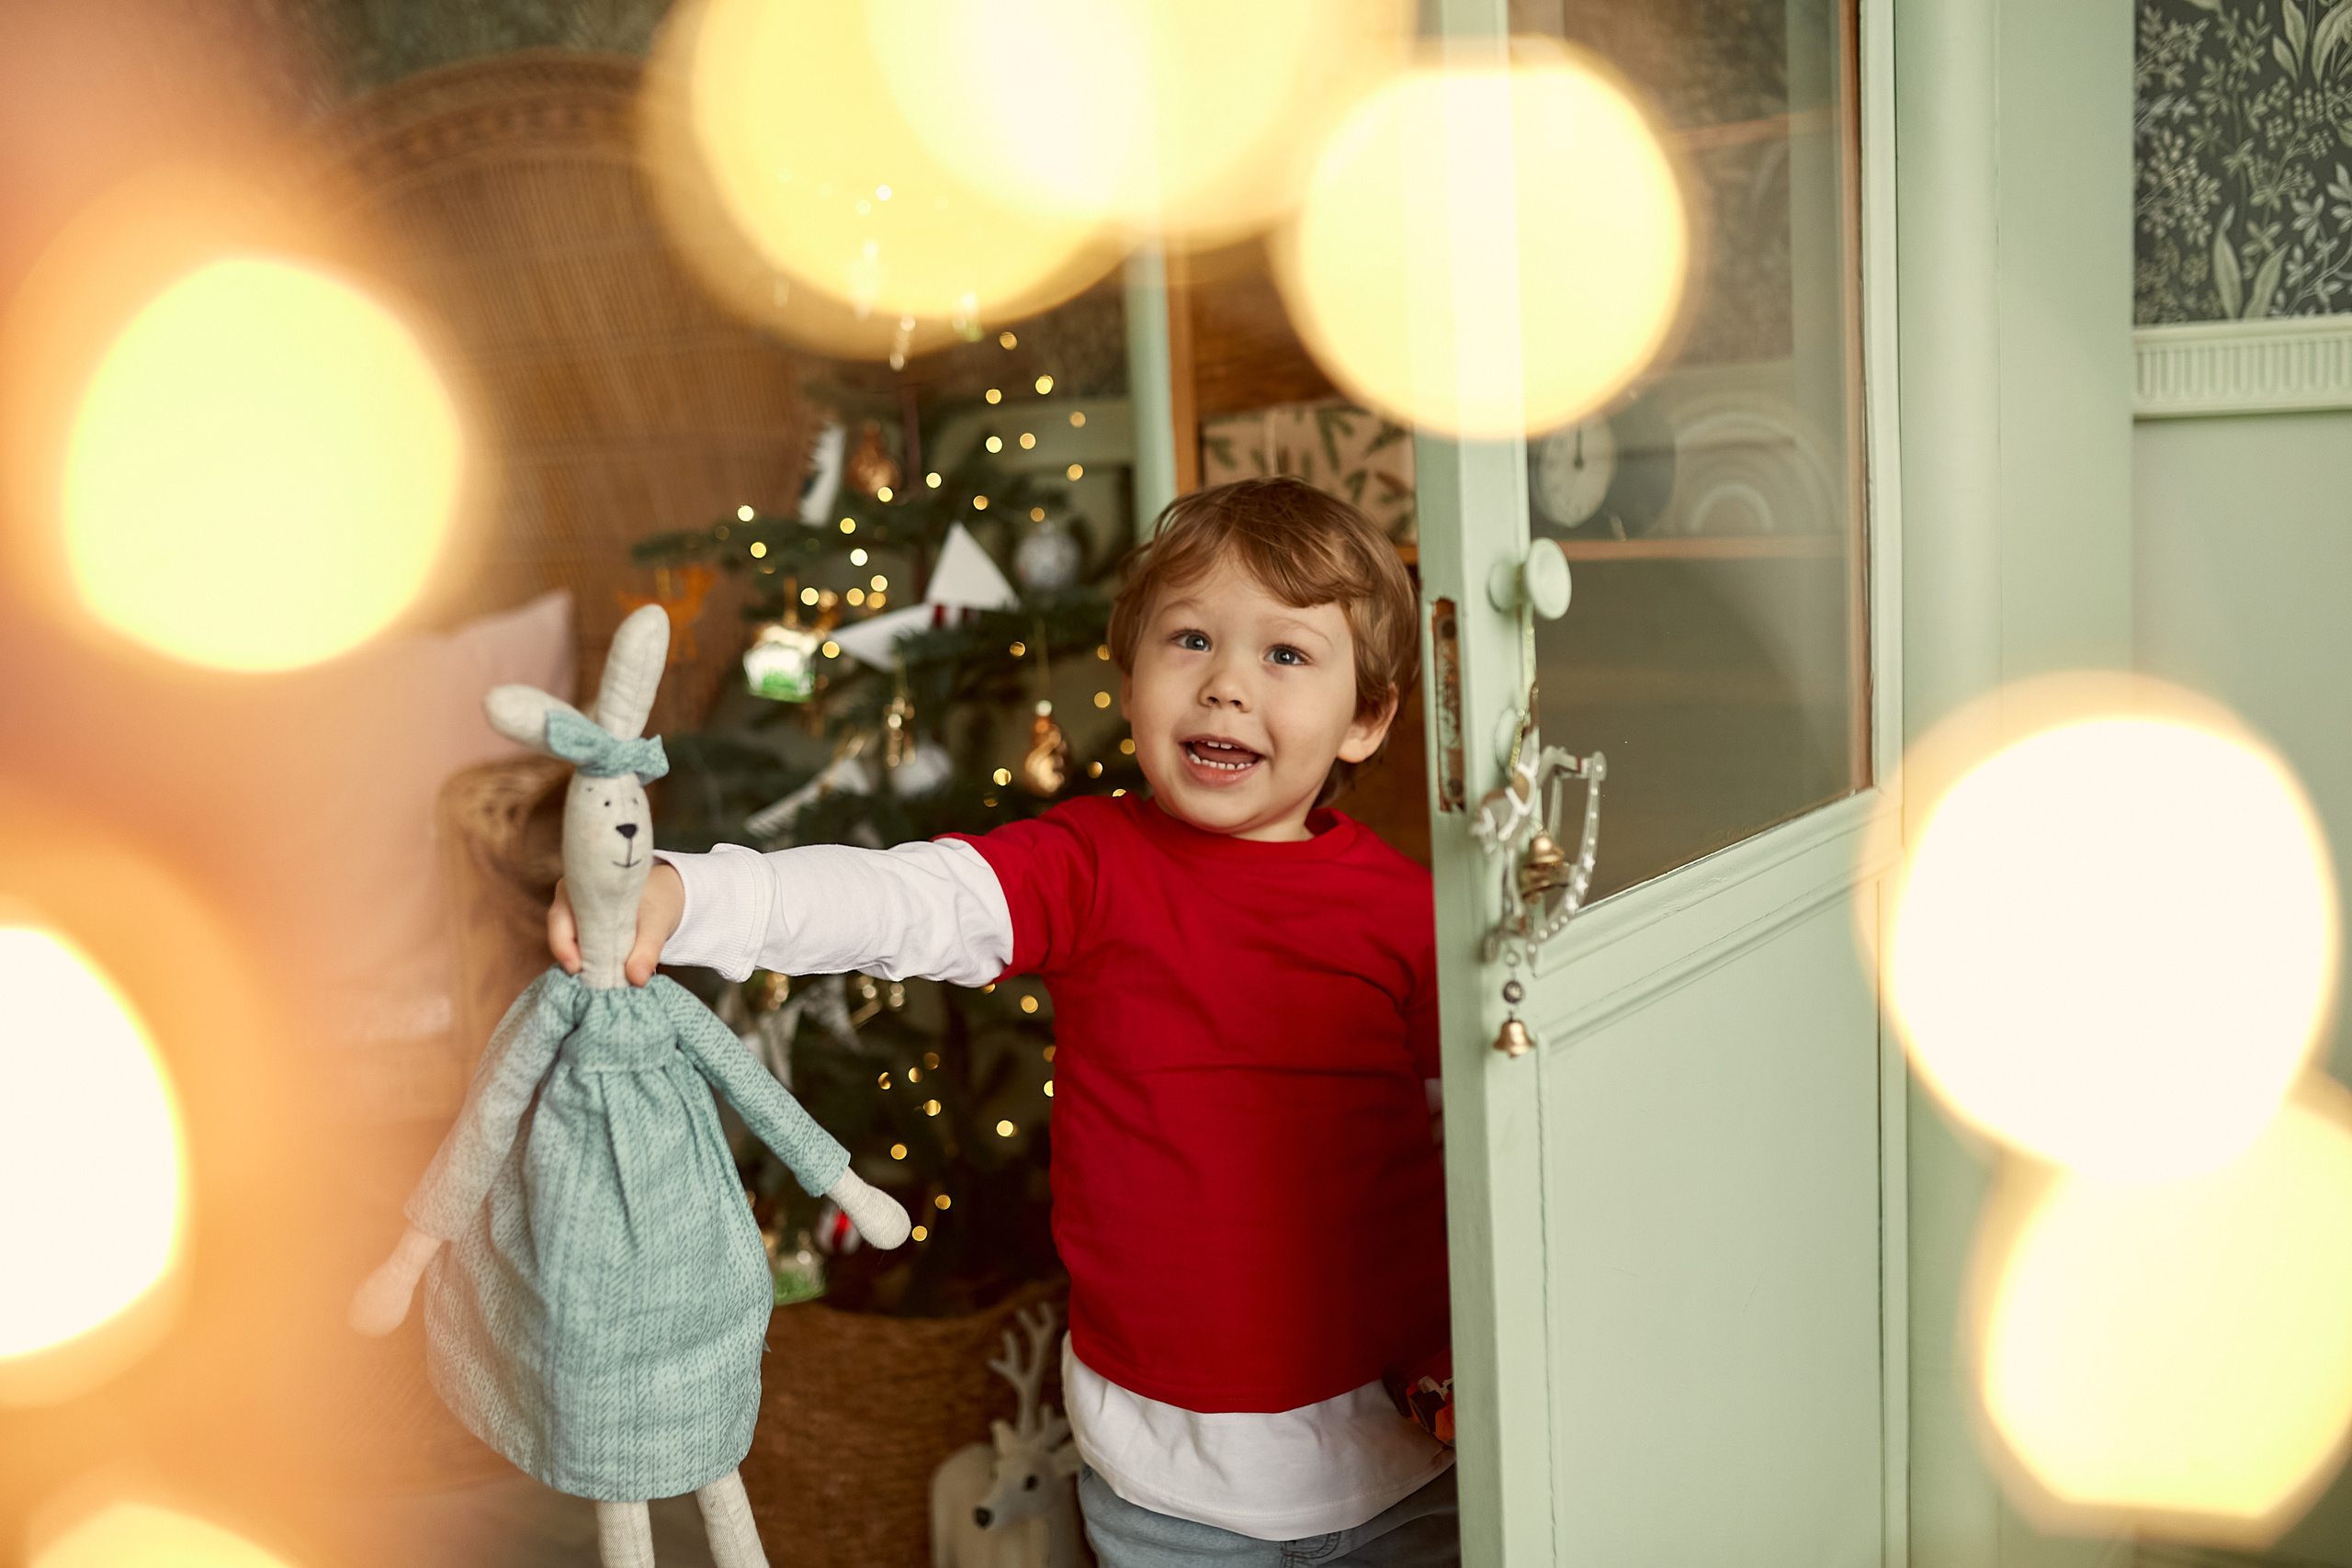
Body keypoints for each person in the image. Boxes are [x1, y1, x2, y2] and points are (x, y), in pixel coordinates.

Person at [551, 478, 1458, 1566]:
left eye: (1285, 655)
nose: (1223, 686)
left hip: (1398, 1459)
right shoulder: (1088, 865)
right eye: (1190, 640)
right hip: (1165, 1480)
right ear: (1127, 683)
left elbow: (1484, 1150)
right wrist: (684, 894)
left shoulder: (1414, 918)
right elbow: (902, 901)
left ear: (1367, 717)